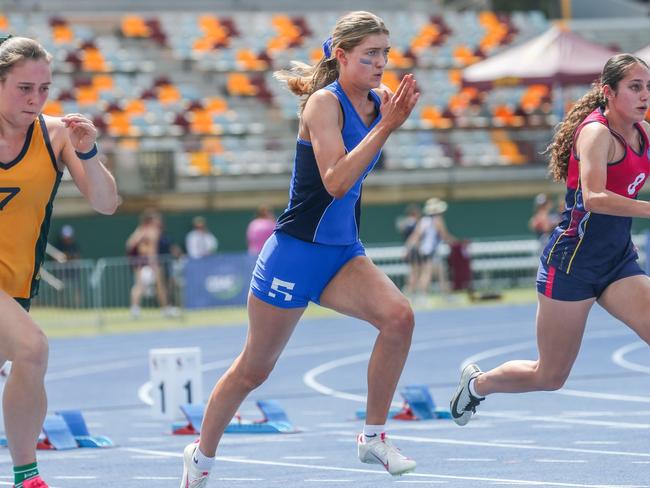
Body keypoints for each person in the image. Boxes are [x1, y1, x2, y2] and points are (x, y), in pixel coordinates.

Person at [180, 11, 420, 486]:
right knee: (254, 370)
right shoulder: (322, 105)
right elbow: (334, 182)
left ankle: (373, 436)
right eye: (370, 54)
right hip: (294, 252)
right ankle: (200, 457)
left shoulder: (378, 104)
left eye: (385, 54)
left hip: (341, 252)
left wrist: (386, 120)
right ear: (341, 54)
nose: (380, 63)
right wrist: (387, 127)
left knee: (399, 318)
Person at [450, 54, 650, 426]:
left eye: (648, 87)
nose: (644, 96)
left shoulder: (643, 133)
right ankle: (477, 384)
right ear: (608, 92)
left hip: (618, 262)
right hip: (572, 265)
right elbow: (594, 198)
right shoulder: (596, 134)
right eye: (635, 87)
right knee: (550, 376)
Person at [0, 36, 118, 488]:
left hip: (16, 286)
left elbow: (106, 204)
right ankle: (27, 476)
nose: (35, 99)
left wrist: (88, 151)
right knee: (32, 350)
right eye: (23, 88)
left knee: (28, 370)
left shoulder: (56, 135)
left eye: (43, 88)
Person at [126, 208, 177, 318]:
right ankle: (166, 310)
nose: (160, 221)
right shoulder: (153, 231)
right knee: (154, 286)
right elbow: (151, 250)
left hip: (138, 262)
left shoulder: (139, 230)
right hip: (148, 262)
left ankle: (135, 310)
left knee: (142, 286)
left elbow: (129, 245)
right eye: (157, 219)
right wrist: (153, 264)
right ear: (151, 220)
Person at [404, 197, 454, 303]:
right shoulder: (438, 220)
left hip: (422, 250)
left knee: (437, 272)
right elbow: (444, 235)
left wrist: (407, 248)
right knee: (428, 273)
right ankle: (424, 296)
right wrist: (455, 242)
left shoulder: (423, 221)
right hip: (430, 251)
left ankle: (443, 295)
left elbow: (415, 236)